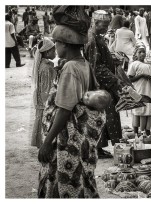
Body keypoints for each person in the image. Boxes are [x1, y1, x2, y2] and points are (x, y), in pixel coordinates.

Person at [38, 21, 107, 197]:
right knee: (81, 180)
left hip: (66, 140)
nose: (55, 46)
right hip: (79, 140)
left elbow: (64, 110)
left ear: (66, 44)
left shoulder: (70, 68)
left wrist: (47, 143)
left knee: (64, 182)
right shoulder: (83, 64)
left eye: (57, 43)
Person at [84, 19, 123, 159]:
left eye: (107, 25)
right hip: (100, 85)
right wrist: (114, 80)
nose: (106, 28)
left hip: (102, 84)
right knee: (103, 116)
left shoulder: (97, 37)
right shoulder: (92, 39)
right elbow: (97, 67)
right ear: (94, 22)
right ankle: (97, 148)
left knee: (106, 116)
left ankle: (99, 148)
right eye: (104, 25)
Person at [31, 38, 56, 148]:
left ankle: (40, 142)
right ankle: (43, 143)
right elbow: (45, 88)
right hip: (44, 99)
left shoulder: (44, 65)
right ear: (46, 52)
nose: (55, 52)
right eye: (53, 50)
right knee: (44, 120)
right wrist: (49, 102)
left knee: (40, 119)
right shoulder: (45, 68)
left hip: (41, 98)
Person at [128, 45, 151, 135]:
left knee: (147, 109)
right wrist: (142, 75)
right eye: (140, 52)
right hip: (139, 90)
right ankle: (136, 132)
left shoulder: (149, 65)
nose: (142, 54)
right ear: (135, 54)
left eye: (143, 51)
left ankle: (147, 131)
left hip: (148, 90)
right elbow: (130, 79)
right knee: (138, 110)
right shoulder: (134, 64)